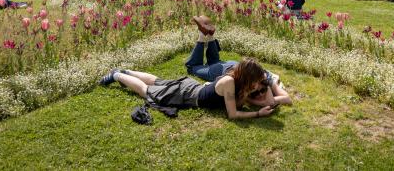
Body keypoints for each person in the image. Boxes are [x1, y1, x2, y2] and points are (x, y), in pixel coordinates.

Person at [99, 56, 279, 119]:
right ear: (248, 77)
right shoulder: (230, 83)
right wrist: (257, 114)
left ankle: (127, 71)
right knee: (148, 91)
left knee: (159, 82)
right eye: (255, 81)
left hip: (193, 88)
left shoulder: (237, 79)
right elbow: (233, 115)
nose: (257, 85)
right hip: (187, 94)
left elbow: (238, 103)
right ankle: (117, 75)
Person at [184, 16, 292, 108]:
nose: (259, 94)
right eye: (259, 91)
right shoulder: (255, 82)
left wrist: (258, 99)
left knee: (215, 61)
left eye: (259, 93)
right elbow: (272, 102)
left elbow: (287, 99)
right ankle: (202, 36)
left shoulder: (261, 78)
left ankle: (210, 35)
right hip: (224, 71)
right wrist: (264, 101)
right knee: (192, 67)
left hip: (236, 66)